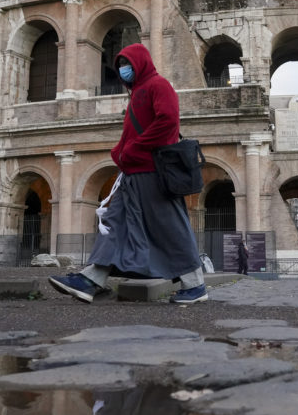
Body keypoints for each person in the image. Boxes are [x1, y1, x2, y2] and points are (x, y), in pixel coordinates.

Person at [49, 43, 207, 304]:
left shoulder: (159, 86)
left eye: (128, 64)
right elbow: (135, 131)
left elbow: (168, 120)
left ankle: (195, 285)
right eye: (121, 65)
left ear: (141, 63)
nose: (124, 70)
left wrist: (134, 147)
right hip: (133, 172)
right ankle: (91, 279)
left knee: (170, 226)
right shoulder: (136, 93)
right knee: (114, 222)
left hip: (153, 172)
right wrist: (120, 152)